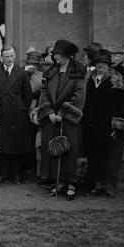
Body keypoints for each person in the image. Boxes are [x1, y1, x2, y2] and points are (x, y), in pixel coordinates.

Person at [37, 40, 86, 201]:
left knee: (70, 151)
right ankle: (58, 182)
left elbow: (79, 96)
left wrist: (63, 112)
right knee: (54, 149)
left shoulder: (78, 72)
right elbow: (44, 92)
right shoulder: (51, 71)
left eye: (57, 54)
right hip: (52, 119)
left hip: (68, 120)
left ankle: (71, 184)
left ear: (66, 55)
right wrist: (49, 111)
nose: (54, 56)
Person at [83, 49, 124, 199]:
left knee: (110, 156)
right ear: (94, 64)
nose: (101, 66)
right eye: (98, 63)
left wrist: (118, 126)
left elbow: (121, 105)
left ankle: (109, 185)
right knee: (94, 154)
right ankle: (97, 184)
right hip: (92, 124)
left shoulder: (116, 79)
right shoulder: (89, 78)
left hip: (109, 124)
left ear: (109, 65)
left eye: (104, 63)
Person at [0, 45, 33, 184]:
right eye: (6, 56)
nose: (9, 59)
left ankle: (16, 174)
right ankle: (3, 173)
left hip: (17, 114)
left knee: (16, 144)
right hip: (2, 112)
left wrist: (22, 108)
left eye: (12, 56)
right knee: (3, 144)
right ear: (1, 58)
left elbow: (28, 94)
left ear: (15, 56)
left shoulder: (21, 72)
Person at [24, 50, 44, 179]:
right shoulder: (24, 73)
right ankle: (25, 165)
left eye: (35, 64)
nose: (33, 66)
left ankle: (33, 167)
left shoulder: (41, 75)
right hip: (25, 106)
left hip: (36, 107)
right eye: (30, 63)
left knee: (34, 137)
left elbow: (38, 91)